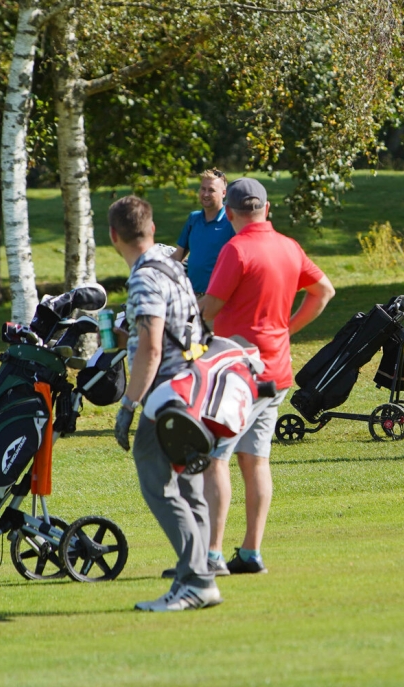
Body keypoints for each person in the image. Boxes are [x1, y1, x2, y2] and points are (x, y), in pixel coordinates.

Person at [200, 177, 335, 574]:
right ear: (267, 208)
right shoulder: (288, 246)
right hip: (275, 371)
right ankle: (251, 551)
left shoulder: (236, 249)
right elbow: (323, 291)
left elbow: (210, 308)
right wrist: (287, 328)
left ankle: (209, 555)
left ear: (229, 212)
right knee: (256, 461)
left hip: (236, 372)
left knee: (215, 460)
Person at [107, 194, 222, 612]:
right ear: (152, 229)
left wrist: (128, 406)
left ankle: (195, 581)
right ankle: (198, 572)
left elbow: (151, 348)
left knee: (157, 482)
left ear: (113, 236)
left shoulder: (142, 278)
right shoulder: (173, 266)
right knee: (188, 484)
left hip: (165, 394)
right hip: (192, 385)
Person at [172, 168, 235, 296]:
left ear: (224, 193)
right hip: (192, 296)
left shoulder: (231, 222)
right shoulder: (193, 219)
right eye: (203, 189)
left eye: (211, 190)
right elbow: (177, 257)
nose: (205, 194)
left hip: (218, 299)